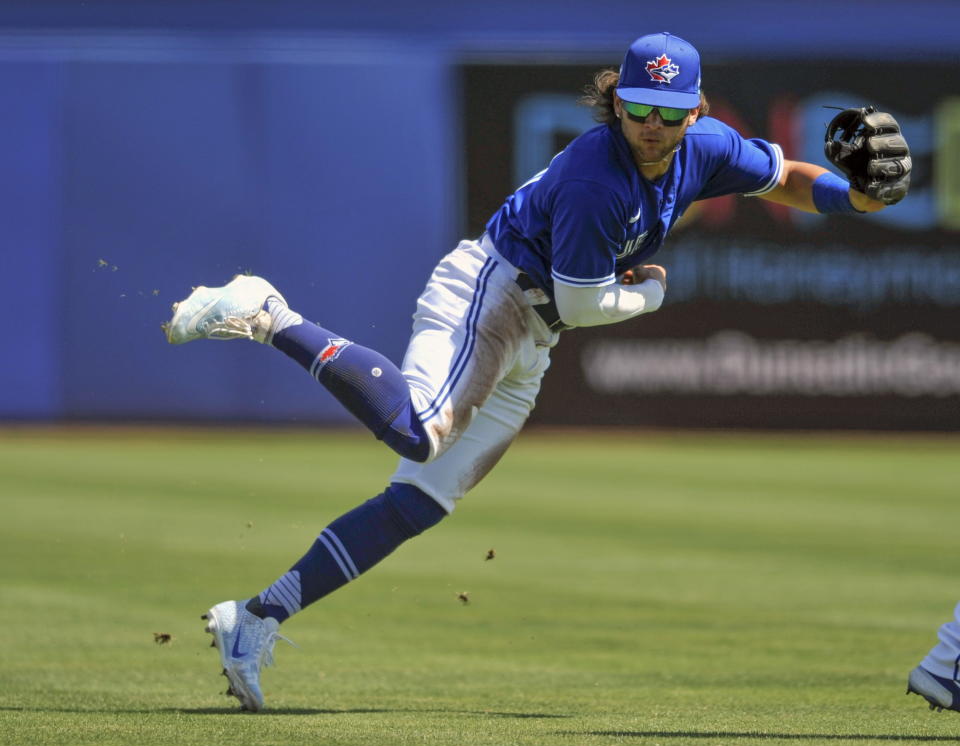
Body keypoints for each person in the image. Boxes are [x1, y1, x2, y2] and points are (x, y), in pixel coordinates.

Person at [163, 32, 900, 711]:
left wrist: (858, 198)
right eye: (638, 106)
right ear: (617, 102)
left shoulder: (706, 147)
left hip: (536, 332)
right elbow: (586, 305)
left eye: (669, 112)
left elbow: (788, 179)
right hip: (492, 295)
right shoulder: (595, 178)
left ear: (695, 112)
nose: (652, 124)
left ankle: (256, 617)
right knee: (420, 432)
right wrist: (645, 297)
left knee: (421, 500)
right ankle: (267, 312)